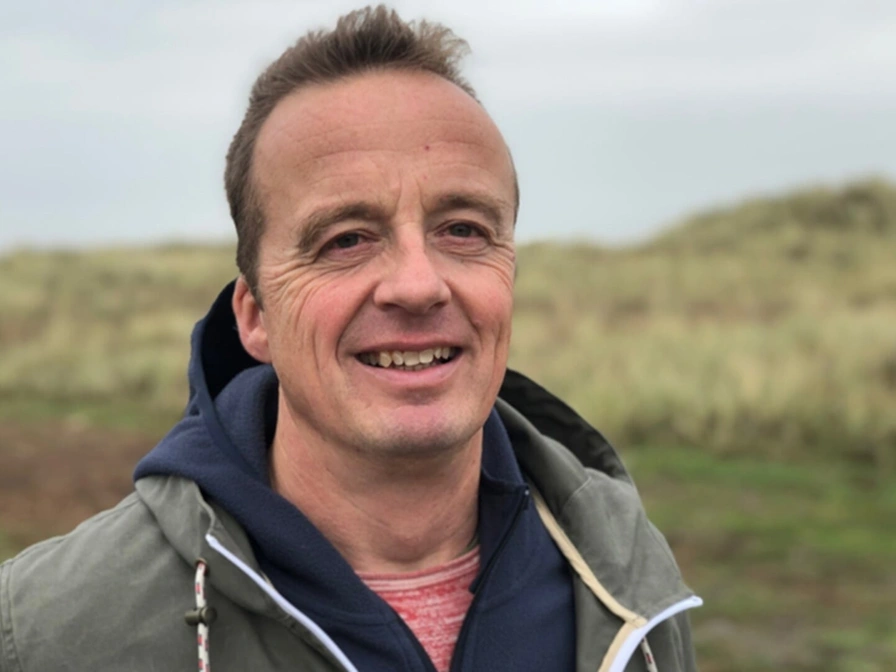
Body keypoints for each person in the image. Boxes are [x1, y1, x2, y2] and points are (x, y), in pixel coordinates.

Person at [0, 6, 700, 671]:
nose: (418, 285)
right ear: (255, 317)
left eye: (463, 230)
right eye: (346, 240)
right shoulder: (47, 630)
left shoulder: (624, 575)